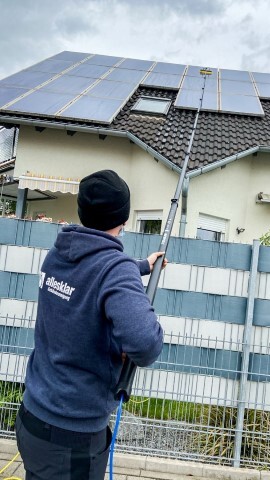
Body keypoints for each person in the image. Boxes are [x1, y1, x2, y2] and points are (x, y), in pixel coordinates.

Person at [16, 169, 165, 479]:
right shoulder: (114, 269)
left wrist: (142, 266)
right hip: (73, 437)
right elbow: (146, 345)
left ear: (82, 211)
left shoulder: (58, 254)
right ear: (123, 217)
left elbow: (91, 275)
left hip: (32, 419)